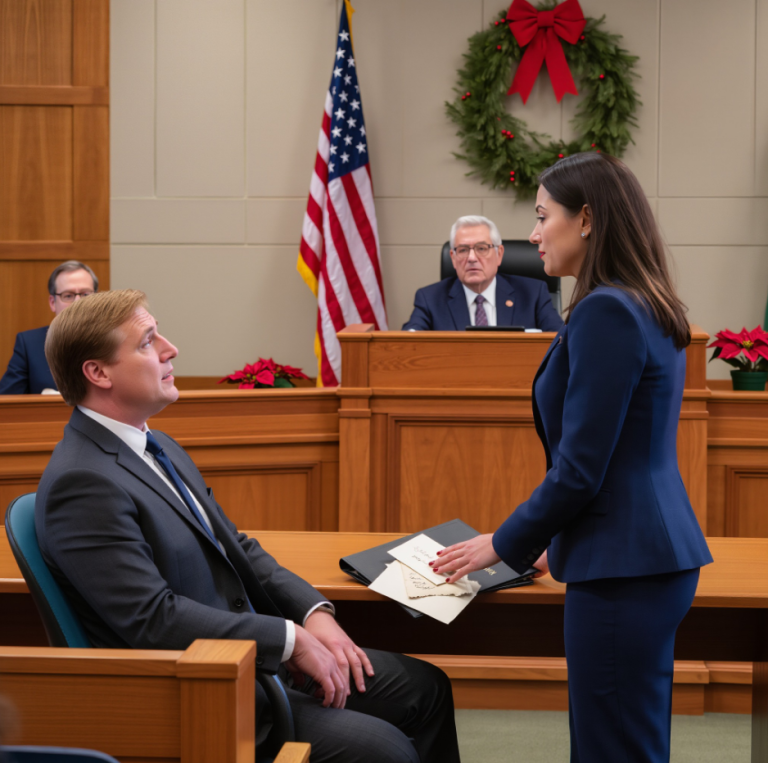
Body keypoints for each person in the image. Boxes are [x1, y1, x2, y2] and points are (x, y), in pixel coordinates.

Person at [35, 289, 460, 763]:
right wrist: (289, 640)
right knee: (386, 750)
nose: (171, 349)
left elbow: (235, 547)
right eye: (147, 341)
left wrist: (313, 614)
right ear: (98, 373)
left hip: (254, 661)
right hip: (203, 691)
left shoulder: (158, 444)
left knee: (426, 688)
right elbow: (153, 620)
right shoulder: (83, 482)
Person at [432, 153, 713, 763]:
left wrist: (502, 543)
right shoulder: (640, 301)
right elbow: (618, 453)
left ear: (586, 219)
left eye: (542, 216)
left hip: (622, 568)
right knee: (627, 741)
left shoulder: (606, 311)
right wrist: (552, 542)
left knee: (611, 748)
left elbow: (582, 469)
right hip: (638, 555)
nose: (533, 235)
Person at [402, 215, 563, 331]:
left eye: (481, 248)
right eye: (463, 250)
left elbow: (560, 341)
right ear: (453, 258)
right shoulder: (430, 299)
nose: (472, 258)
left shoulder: (533, 294)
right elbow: (408, 343)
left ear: (499, 254)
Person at [0, 260, 98, 395]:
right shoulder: (29, 344)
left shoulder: (115, 339)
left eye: (85, 294)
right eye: (68, 296)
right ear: (53, 302)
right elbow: (7, 401)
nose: (78, 302)